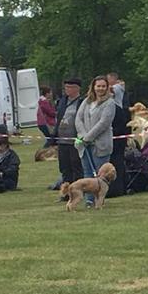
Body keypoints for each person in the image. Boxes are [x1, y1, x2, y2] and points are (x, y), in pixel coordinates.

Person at [75, 76, 116, 208]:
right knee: (87, 173)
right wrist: (83, 136)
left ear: (107, 87)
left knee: (100, 176)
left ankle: (100, 201)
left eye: (103, 86)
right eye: (98, 86)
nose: (100, 88)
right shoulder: (87, 101)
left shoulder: (110, 103)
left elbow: (103, 123)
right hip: (84, 144)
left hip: (101, 145)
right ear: (93, 87)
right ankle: (89, 201)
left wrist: (88, 138)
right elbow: (78, 118)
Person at [54, 78, 84, 190]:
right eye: (66, 87)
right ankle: (66, 192)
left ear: (77, 88)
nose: (67, 89)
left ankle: (78, 189)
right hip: (62, 140)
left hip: (75, 139)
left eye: (70, 87)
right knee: (64, 167)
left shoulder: (82, 102)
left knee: (76, 166)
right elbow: (58, 117)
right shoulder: (62, 101)